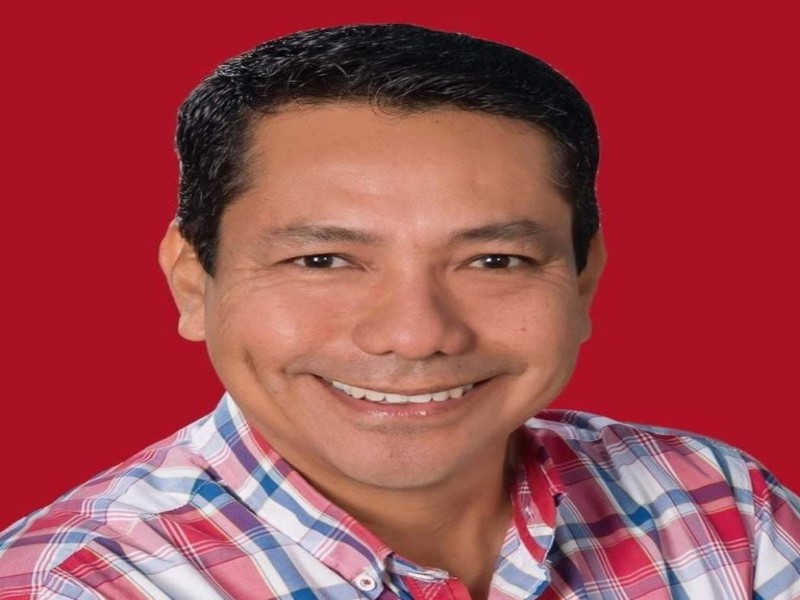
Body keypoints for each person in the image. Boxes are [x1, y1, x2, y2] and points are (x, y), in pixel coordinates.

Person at [0, 23, 797, 600]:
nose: (415, 335)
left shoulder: (716, 504)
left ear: (582, 281)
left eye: (495, 260)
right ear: (191, 282)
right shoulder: (75, 585)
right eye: (322, 261)